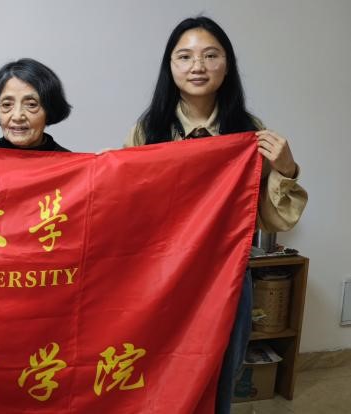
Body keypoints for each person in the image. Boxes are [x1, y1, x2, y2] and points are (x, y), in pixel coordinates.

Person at [124, 16, 308, 413]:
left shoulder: (249, 133)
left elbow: (275, 219)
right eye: (185, 56)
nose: (198, 66)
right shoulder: (149, 130)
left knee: (221, 374)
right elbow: (128, 208)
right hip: (162, 277)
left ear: (227, 65)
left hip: (227, 277)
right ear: (170, 66)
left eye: (211, 55)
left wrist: (287, 169)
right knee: (156, 371)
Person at [0, 58, 72, 151]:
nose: (17, 117)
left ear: (50, 110)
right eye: (7, 105)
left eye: (31, 105)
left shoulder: (69, 160)